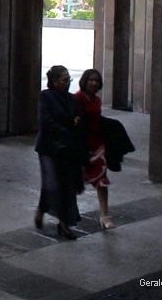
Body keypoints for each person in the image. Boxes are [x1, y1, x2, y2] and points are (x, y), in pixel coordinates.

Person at [34, 65, 85, 239]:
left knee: (65, 185)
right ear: (54, 82)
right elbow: (46, 122)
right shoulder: (45, 96)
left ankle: (64, 224)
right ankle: (42, 209)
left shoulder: (72, 99)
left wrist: (70, 124)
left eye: (69, 79)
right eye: (64, 80)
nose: (68, 83)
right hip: (48, 148)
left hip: (66, 148)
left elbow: (78, 119)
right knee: (51, 183)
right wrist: (69, 124)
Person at [74, 68, 115, 230]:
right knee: (74, 181)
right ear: (84, 81)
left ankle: (105, 215)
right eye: (91, 79)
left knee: (102, 180)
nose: (94, 83)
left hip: (97, 144)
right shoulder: (78, 98)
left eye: (97, 80)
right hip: (82, 145)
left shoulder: (97, 100)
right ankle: (66, 215)